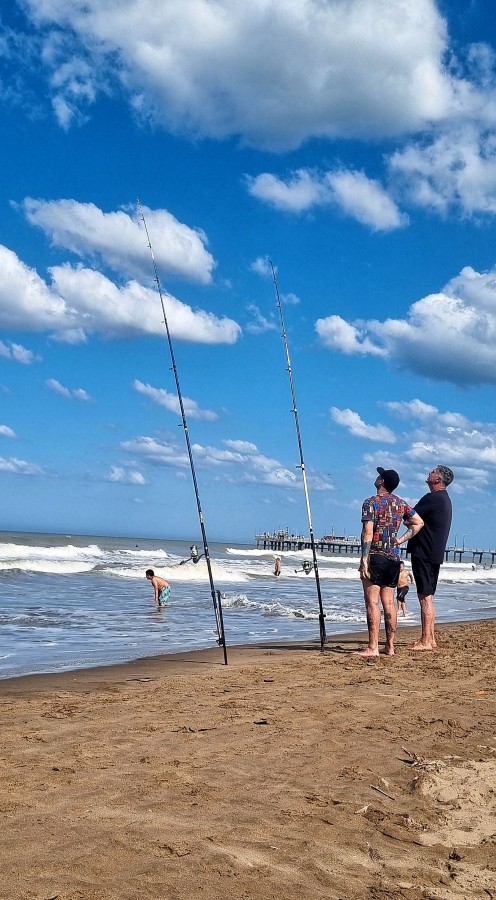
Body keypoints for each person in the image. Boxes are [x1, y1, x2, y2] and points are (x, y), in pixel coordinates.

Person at [358, 467, 423, 657]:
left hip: (375, 555)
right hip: (394, 558)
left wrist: (364, 559)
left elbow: (368, 532)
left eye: (379, 475)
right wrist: (400, 540)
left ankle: (372, 647)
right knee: (389, 603)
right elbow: (418, 523)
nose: (377, 477)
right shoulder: (401, 504)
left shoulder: (371, 502)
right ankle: (390, 646)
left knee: (372, 602)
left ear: (381, 482)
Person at [396, 465, 453, 652]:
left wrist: (407, 522)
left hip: (424, 552)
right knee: (428, 596)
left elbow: (409, 517)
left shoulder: (433, 498)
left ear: (439, 479)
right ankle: (431, 638)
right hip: (433, 553)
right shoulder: (443, 499)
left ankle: (425, 640)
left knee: (424, 597)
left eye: (433, 471)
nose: (429, 472)